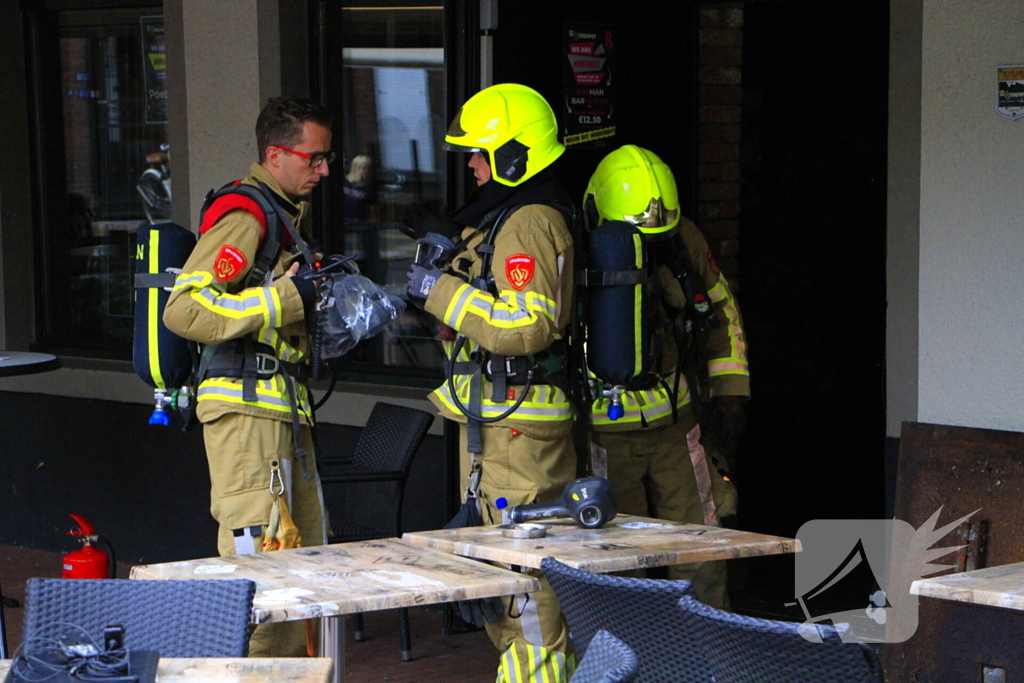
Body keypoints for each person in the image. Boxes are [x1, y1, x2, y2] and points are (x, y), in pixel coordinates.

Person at [406, 83, 577, 682]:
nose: (473, 166)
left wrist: (442, 292)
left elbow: (529, 325)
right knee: (500, 581)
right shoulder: (502, 218)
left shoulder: (529, 220)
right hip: (495, 423)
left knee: (526, 584)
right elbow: (482, 322)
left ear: (514, 155)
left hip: (520, 430)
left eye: (480, 154)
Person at [163, 96, 334, 656]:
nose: (324, 169)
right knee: (259, 582)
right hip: (245, 411)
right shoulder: (247, 215)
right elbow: (185, 310)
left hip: (278, 407)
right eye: (314, 157)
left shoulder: (283, 215)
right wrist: (283, 299)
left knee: (300, 571)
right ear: (275, 154)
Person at [583, 144, 750, 609]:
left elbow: (722, 314)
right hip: (604, 437)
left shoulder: (683, 239)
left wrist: (730, 394)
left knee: (700, 550)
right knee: (616, 561)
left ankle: (709, 660)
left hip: (680, 428)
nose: (651, 246)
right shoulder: (574, 246)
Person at [343, 154, 378, 221]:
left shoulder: (370, 187)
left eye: (365, 168)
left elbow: (373, 209)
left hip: (358, 220)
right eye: (359, 167)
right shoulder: (345, 181)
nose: (361, 171)